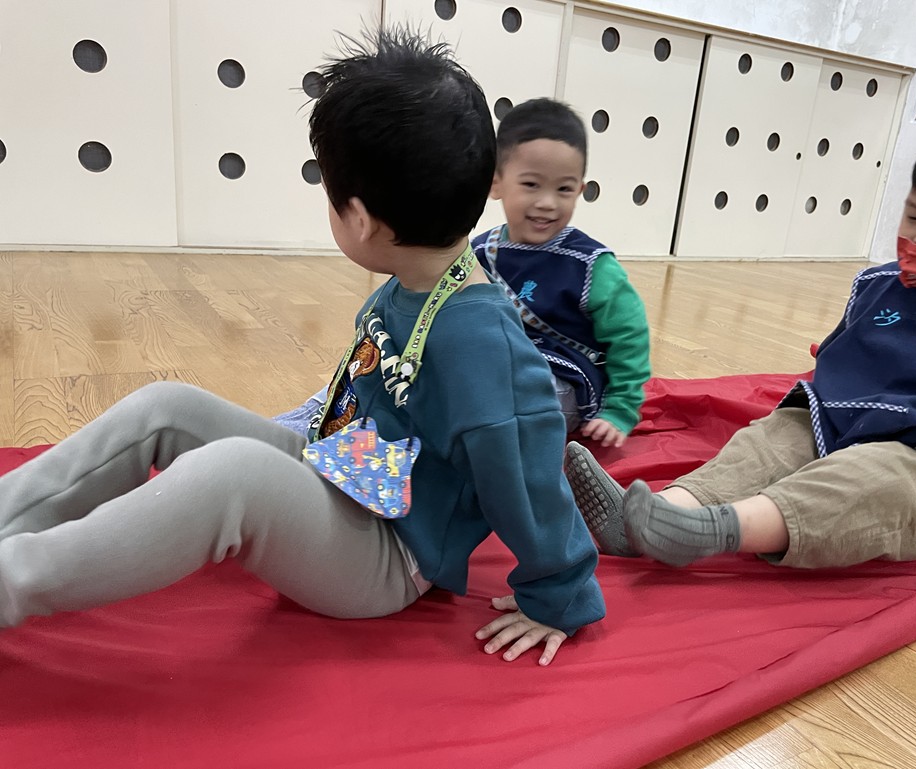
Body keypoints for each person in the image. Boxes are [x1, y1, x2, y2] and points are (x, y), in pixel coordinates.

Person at [0, 28, 604, 666]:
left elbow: (531, 477)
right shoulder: (422, 276)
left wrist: (558, 593)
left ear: (361, 220)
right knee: (165, 407)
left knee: (234, 474)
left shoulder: (483, 349)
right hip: (345, 464)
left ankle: (15, 581)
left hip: (387, 552)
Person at [565, 113, 916, 566]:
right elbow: (838, 362)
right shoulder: (875, 284)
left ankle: (710, 530)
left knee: (868, 480)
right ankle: (654, 517)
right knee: (771, 439)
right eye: (913, 215)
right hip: (838, 427)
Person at [470, 98, 650, 449]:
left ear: (580, 190)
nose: (548, 203)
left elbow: (630, 336)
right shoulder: (480, 253)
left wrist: (621, 408)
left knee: (512, 395)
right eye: (531, 184)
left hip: (564, 382)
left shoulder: (591, 265)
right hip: (495, 366)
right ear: (496, 183)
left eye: (564, 189)